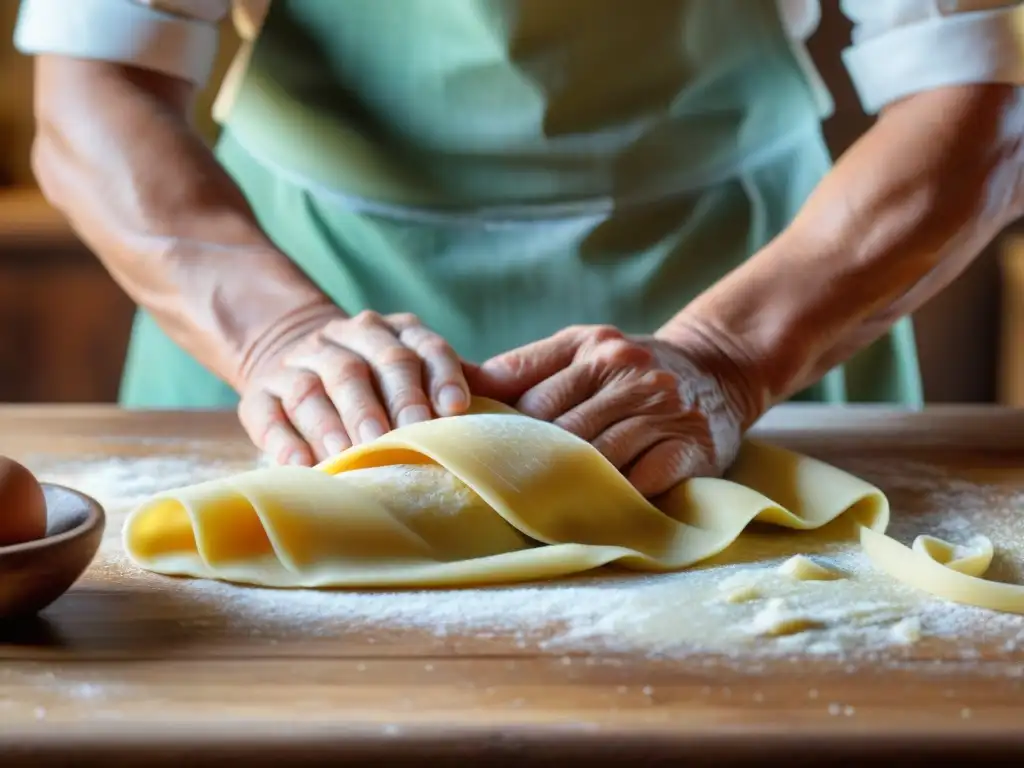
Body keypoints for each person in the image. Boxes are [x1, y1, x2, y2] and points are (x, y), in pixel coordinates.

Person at [13, 0, 1024, 496]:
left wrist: (730, 358)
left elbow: (979, 98)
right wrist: (279, 335)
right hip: (290, 279)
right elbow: (94, 89)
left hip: (757, 286)